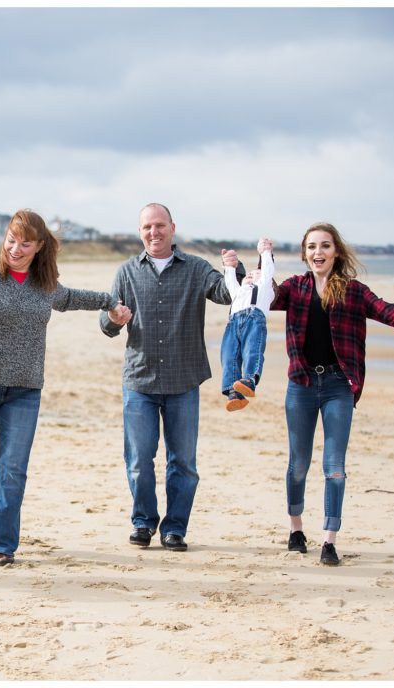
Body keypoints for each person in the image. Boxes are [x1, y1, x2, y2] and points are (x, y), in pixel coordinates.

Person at [0, 209, 131, 567]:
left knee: (13, 469)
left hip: (25, 389)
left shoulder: (44, 284)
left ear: (39, 246)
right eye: (12, 240)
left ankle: (3, 544)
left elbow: (72, 298)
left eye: (25, 243)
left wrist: (109, 302)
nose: (16, 248)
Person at [270, 223, 394, 566]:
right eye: (311, 247)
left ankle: (329, 540)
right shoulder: (295, 289)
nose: (317, 253)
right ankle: (296, 529)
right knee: (298, 465)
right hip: (302, 386)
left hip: (338, 386)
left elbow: (389, 312)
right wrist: (252, 268)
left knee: (334, 467)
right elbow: (265, 295)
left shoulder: (353, 292)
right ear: (305, 253)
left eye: (325, 246)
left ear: (336, 252)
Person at [100, 202, 242, 552]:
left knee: (183, 463)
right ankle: (143, 522)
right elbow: (107, 326)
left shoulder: (195, 268)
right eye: (147, 227)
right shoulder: (126, 272)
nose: (154, 232)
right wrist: (114, 320)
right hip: (140, 381)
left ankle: (175, 528)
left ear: (172, 228)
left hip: (183, 381)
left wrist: (233, 270)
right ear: (140, 232)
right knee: (138, 461)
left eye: (160, 225)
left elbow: (226, 294)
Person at [220, 238, 275, 411]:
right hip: (232, 323)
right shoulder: (239, 290)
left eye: (255, 273)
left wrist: (265, 252)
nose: (251, 275)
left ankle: (250, 380)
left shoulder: (264, 286)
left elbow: (267, 271)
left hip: (253, 318)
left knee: (252, 349)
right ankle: (234, 392)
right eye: (248, 274)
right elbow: (230, 281)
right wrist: (229, 265)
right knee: (229, 356)